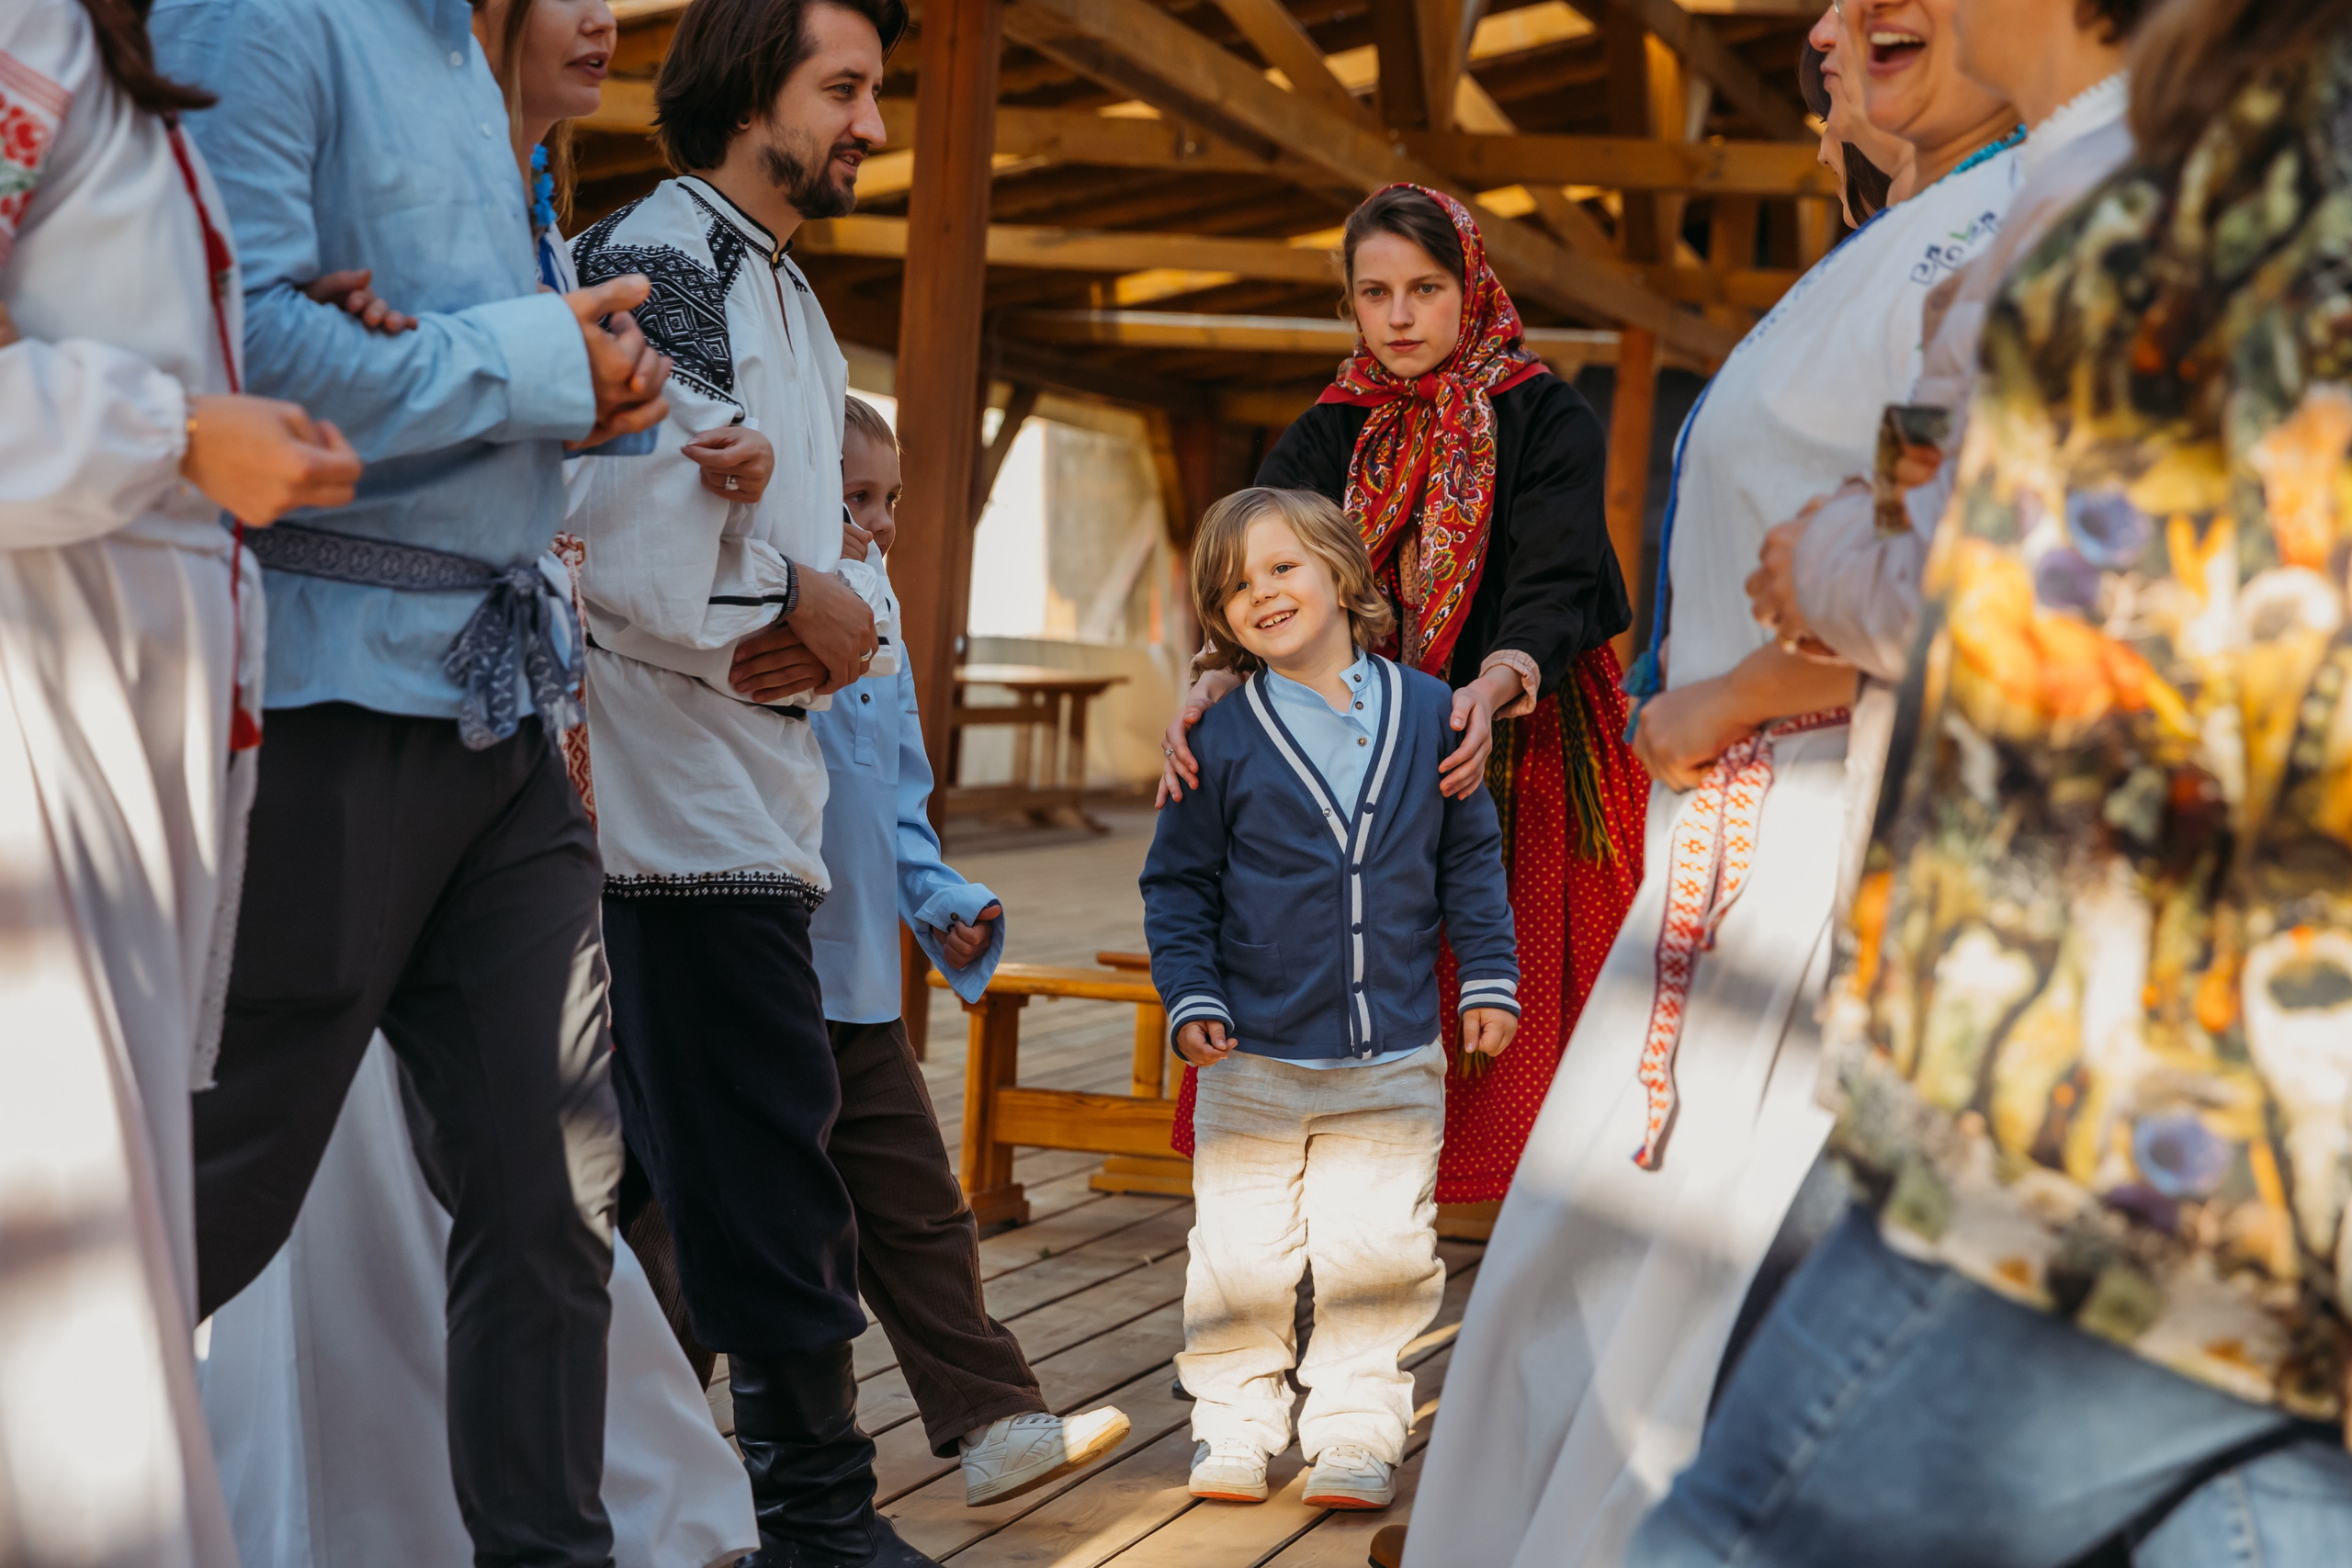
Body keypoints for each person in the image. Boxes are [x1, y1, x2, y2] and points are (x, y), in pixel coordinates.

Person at [1629, 0, 2352, 1560]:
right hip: (2281, 1106)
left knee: (1742, 1527)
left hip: (2125, 1087)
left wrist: (1813, 567)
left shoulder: (2136, 205)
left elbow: (1992, 578)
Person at [1397, 6, 2023, 1564]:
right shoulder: (1929, 231)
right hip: (1745, 832)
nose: (1827, 38)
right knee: (1606, 1291)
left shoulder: (2005, 230)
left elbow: (1977, 570)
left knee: (1692, 1305)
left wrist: (1725, 703)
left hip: (1827, 823)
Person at [189, 6, 759, 1564]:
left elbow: (435, 380)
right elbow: (240, 352)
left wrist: (595, 385)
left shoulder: (467, 76)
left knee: (552, 1195)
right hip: (329, 695)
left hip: (503, 720)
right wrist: (526, 359)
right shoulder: (268, 23)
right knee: (217, 1189)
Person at [562, 0, 936, 1562]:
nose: (867, 123)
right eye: (841, 88)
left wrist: (832, 622)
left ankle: (684, 1506)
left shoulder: (782, 291)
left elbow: (827, 564)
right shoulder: (668, 260)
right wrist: (804, 607)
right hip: (669, 810)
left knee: (708, 1173)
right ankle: (818, 1521)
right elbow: (630, 550)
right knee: (759, 1170)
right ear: (746, 88)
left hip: (750, 801)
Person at [0, 0, 362, 1561]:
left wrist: (231, 373)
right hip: (40, 727)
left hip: (124, 751)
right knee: (66, 1303)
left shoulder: (104, 50)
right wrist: (174, 426)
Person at [1161, 185, 1645, 1216]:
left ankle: (1533, 1190)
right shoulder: (1329, 428)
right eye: (1374, 292)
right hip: (1347, 726)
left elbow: (1559, 573)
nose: (1400, 315)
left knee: (1508, 935)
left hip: (1515, 721)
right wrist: (1212, 674)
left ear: (1470, 287)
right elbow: (1255, 565)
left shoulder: (1544, 412)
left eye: (1426, 288)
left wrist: (1500, 676)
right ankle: (1340, 1164)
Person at [1142, 486, 1521, 1514]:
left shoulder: (1433, 710)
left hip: (1392, 1053)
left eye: (1281, 568)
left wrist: (1489, 977)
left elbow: (1469, 861)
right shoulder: (1215, 741)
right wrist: (1189, 995)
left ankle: (1357, 1431)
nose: (1260, 594)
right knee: (1238, 1260)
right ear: (1218, 623)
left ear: (1341, 574)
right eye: (1232, 587)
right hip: (1250, 1060)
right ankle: (1233, 1427)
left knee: (1379, 1254)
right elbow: (1176, 885)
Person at [817, 394, 1132, 1506]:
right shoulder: (743, 610)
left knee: (918, 1208)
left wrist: (934, 891)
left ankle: (996, 1423)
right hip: (738, 963)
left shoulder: (881, 603)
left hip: (852, 976)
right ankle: (630, 1456)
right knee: (689, 1228)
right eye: (854, 498)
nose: (880, 521)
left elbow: (895, 790)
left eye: (889, 499)